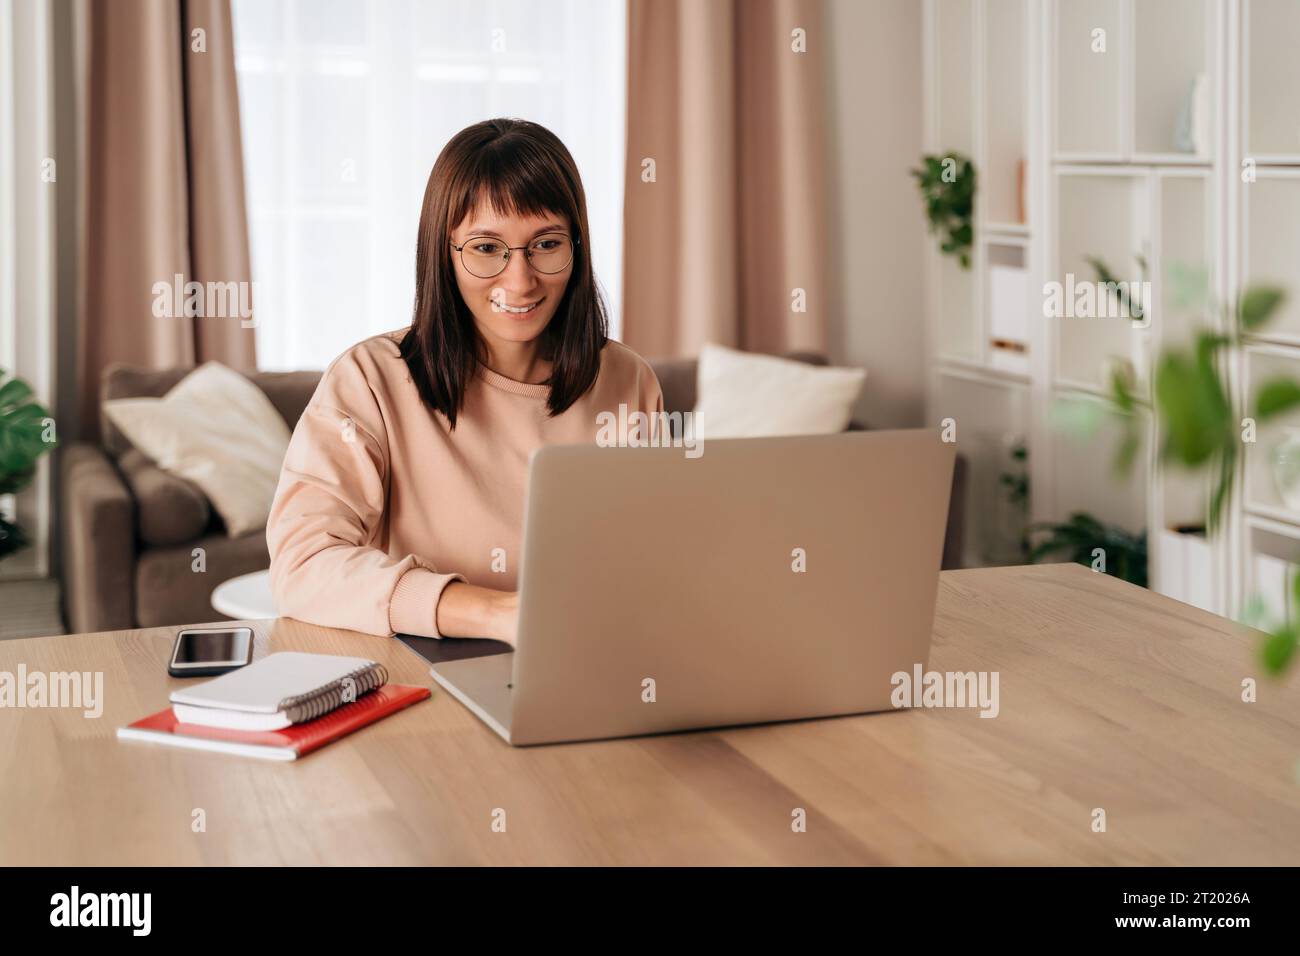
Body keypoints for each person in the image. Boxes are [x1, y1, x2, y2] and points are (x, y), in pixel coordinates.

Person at [266, 118, 664, 645]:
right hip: (423, 669)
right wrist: (495, 614)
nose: (520, 280)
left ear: (577, 246)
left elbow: (652, 563)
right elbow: (303, 564)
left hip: (586, 663)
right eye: (485, 248)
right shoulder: (370, 380)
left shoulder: (627, 381)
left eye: (546, 244)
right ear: (444, 252)